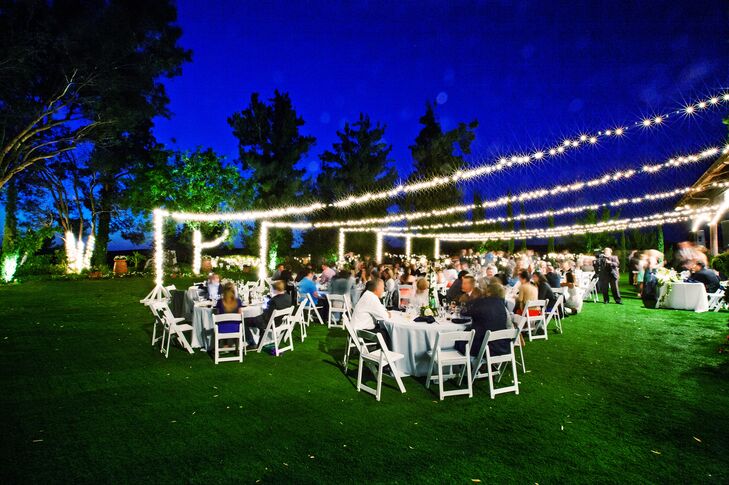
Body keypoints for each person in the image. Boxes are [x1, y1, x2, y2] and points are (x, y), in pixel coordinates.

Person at [457, 279, 510, 357]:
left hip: (484, 347)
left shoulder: (482, 302)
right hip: (502, 346)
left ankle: (467, 365)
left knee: (459, 340)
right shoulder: (502, 305)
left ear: (489, 292)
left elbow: (465, 313)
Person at [350, 278, 392, 346]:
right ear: (377, 288)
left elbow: (381, 310)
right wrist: (387, 314)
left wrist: (385, 312)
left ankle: (380, 352)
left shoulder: (368, 295)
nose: (383, 290)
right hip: (359, 334)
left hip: (356, 331)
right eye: (383, 288)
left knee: (382, 330)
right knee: (386, 333)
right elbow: (385, 317)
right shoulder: (372, 298)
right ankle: (386, 354)